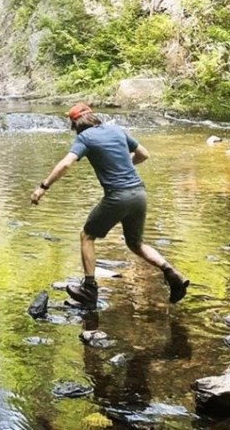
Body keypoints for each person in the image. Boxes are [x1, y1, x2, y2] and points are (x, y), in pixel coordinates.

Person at [30, 103, 190, 307]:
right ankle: (171, 273)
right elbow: (144, 154)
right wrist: (123, 164)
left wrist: (43, 187)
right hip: (139, 194)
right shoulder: (116, 130)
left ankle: (89, 289)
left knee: (87, 236)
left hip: (118, 196)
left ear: (75, 123)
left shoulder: (84, 138)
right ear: (92, 116)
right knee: (136, 244)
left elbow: (66, 164)